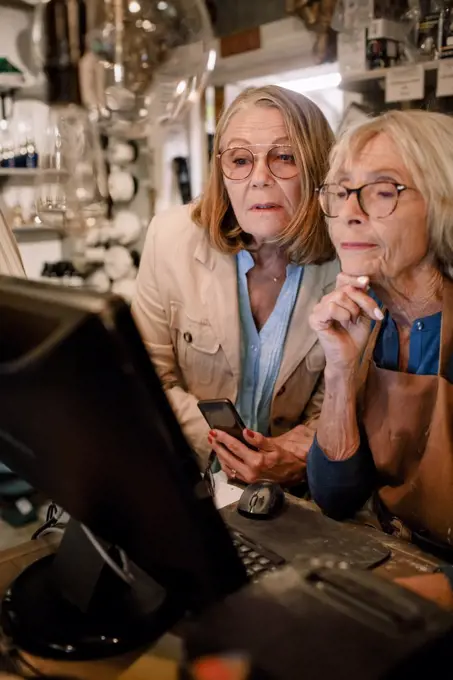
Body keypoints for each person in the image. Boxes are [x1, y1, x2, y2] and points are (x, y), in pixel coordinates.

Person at [132, 85, 338, 487]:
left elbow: (341, 405)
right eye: (241, 160)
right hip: (190, 477)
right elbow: (145, 379)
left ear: (318, 167)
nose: (259, 179)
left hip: (301, 494)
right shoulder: (170, 237)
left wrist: (291, 455)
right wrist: (226, 449)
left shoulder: (348, 256)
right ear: (221, 172)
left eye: (284, 157)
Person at [306, 109, 453, 608]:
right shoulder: (366, 320)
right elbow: (335, 496)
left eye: (383, 190)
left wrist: (389, 600)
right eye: (341, 190)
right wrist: (342, 371)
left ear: (442, 203)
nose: (350, 211)